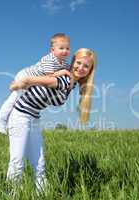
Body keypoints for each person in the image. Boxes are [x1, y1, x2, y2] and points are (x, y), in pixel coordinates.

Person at [6, 48, 97, 192]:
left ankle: (42, 194)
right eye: (78, 63)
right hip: (20, 115)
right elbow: (46, 81)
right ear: (73, 61)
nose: (81, 68)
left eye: (86, 66)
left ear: (90, 70)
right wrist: (23, 82)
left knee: (39, 163)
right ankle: (11, 193)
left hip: (34, 117)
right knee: (17, 161)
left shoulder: (71, 82)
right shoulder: (65, 79)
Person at [0, 33, 71, 134]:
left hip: (33, 81)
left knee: (20, 102)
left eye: (67, 48)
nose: (65, 51)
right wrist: (63, 72)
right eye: (61, 48)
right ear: (52, 50)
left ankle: (10, 122)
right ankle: (1, 119)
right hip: (25, 76)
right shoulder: (49, 59)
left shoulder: (64, 63)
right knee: (14, 98)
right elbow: (49, 77)